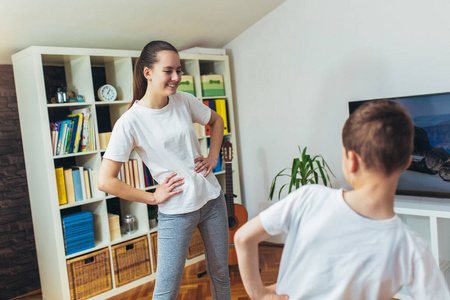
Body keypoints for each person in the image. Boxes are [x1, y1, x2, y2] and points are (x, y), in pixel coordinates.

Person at [234, 100, 450, 300]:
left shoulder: (308, 198)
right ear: (407, 162)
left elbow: (243, 238)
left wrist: (259, 293)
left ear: (351, 160)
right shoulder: (411, 248)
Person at [97, 40, 231, 300]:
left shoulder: (183, 101)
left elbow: (216, 121)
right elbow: (105, 181)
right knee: (166, 292)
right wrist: (152, 198)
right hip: (176, 211)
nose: (176, 77)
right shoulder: (130, 123)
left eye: (179, 70)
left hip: (212, 199)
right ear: (148, 73)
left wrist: (213, 156)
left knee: (221, 274)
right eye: (168, 71)